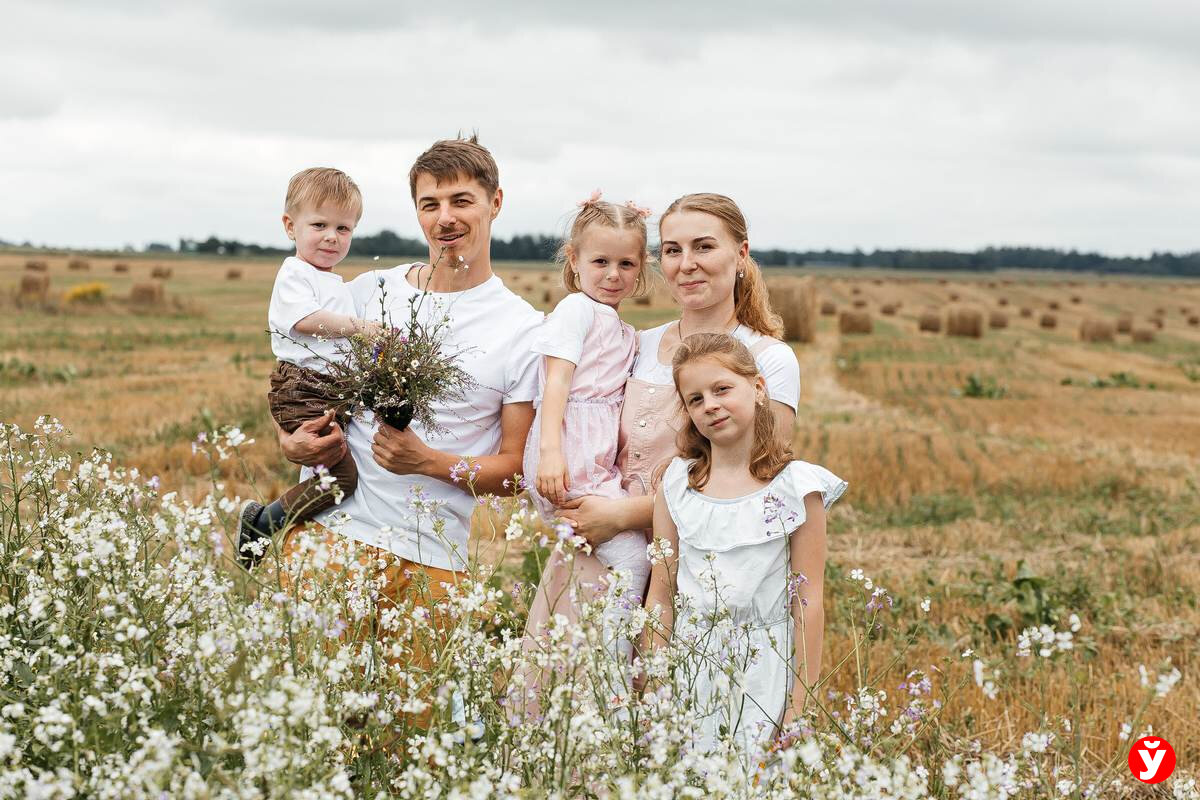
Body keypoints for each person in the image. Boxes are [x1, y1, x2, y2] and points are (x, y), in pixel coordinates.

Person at [273, 136, 542, 675]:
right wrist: (292, 441)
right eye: (430, 204)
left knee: (405, 745)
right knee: (309, 732)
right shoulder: (372, 290)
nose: (445, 218)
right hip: (328, 541)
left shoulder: (524, 330)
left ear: (496, 202)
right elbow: (303, 370)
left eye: (461, 200)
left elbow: (516, 473)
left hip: (431, 566)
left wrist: (428, 463)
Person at [553, 193, 801, 596]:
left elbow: (754, 482)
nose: (687, 264)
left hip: (699, 567)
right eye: (672, 250)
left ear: (741, 254)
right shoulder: (636, 345)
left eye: (704, 246)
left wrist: (622, 515)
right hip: (605, 552)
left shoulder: (768, 360)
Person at [642, 333, 846, 754]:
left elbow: (808, 600)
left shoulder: (796, 487)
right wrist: (655, 681)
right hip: (692, 663)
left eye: (722, 389)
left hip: (767, 668)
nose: (710, 404)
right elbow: (661, 593)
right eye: (695, 399)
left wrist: (799, 704)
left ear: (757, 388)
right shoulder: (677, 484)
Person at [514, 193, 651, 707]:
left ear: (640, 269)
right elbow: (556, 384)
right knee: (635, 558)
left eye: (626, 263)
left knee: (622, 552)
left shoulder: (621, 328)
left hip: (590, 458)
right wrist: (551, 453)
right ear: (573, 260)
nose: (612, 274)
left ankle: (593, 664)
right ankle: (612, 672)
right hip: (566, 453)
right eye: (599, 261)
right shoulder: (575, 310)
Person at [238, 167, 379, 568]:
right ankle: (262, 524)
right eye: (319, 225)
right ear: (290, 226)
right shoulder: (294, 274)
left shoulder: (332, 280)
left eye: (344, 228)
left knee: (337, 474)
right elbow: (303, 320)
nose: (332, 237)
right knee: (342, 480)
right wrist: (360, 329)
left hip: (325, 388)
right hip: (303, 388)